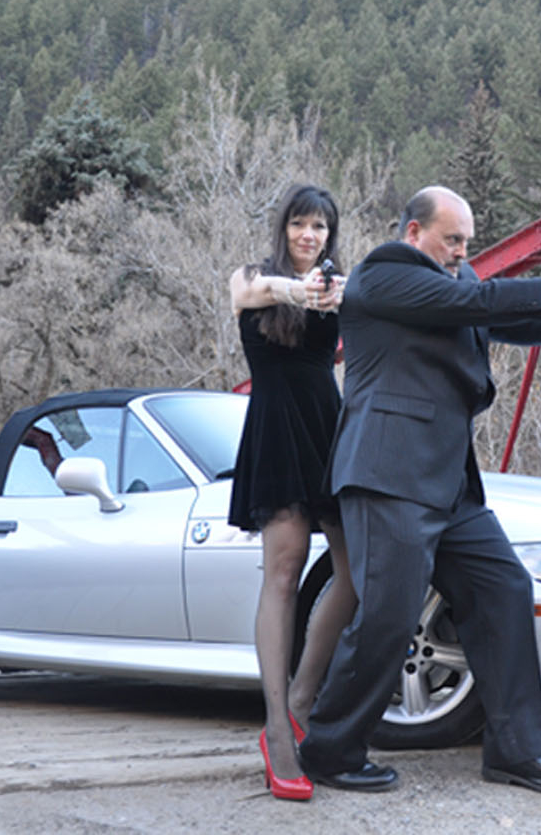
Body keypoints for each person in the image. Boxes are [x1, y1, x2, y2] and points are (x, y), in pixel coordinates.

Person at [296, 185, 541, 797]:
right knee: (390, 614)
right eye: (452, 239)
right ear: (412, 234)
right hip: (389, 474)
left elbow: (504, 313)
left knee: (505, 590)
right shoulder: (382, 275)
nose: (463, 251)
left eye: (467, 241)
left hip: (450, 483)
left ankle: (517, 752)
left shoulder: (456, 285)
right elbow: (478, 299)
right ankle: (329, 748)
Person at [227, 183, 357, 802]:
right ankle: (278, 730)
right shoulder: (252, 278)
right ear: (284, 228)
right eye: (301, 225)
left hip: (329, 432)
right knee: (281, 574)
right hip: (276, 431)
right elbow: (253, 293)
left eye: (321, 228)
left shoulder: (340, 287)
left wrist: (340, 296)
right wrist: (297, 289)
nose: (310, 236)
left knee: (356, 572)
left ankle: (303, 698)